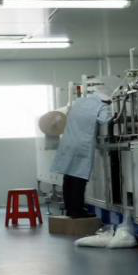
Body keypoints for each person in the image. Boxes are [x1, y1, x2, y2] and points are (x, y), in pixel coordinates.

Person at [50, 90, 113, 218]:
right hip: (82, 145)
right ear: (105, 101)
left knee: (68, 176)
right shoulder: (101, 106)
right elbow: (105, 120)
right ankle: (77, 211)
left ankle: (69, 209)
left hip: (68, 142)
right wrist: (114, 115)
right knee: (79, 178)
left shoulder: (78, 102)